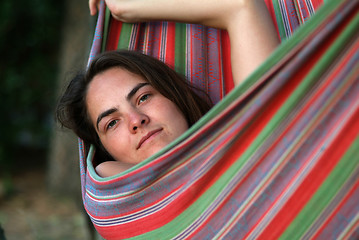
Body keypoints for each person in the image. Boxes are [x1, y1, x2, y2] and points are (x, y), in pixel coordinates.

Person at [56, 0, 280, 177]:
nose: (136, 120)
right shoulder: (110, 191)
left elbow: (242, 7)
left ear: (173, 95)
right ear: (105, 151)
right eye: (112, 123)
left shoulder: (254, 131)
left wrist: (125, 7)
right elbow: (106, 175)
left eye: (143, 97)